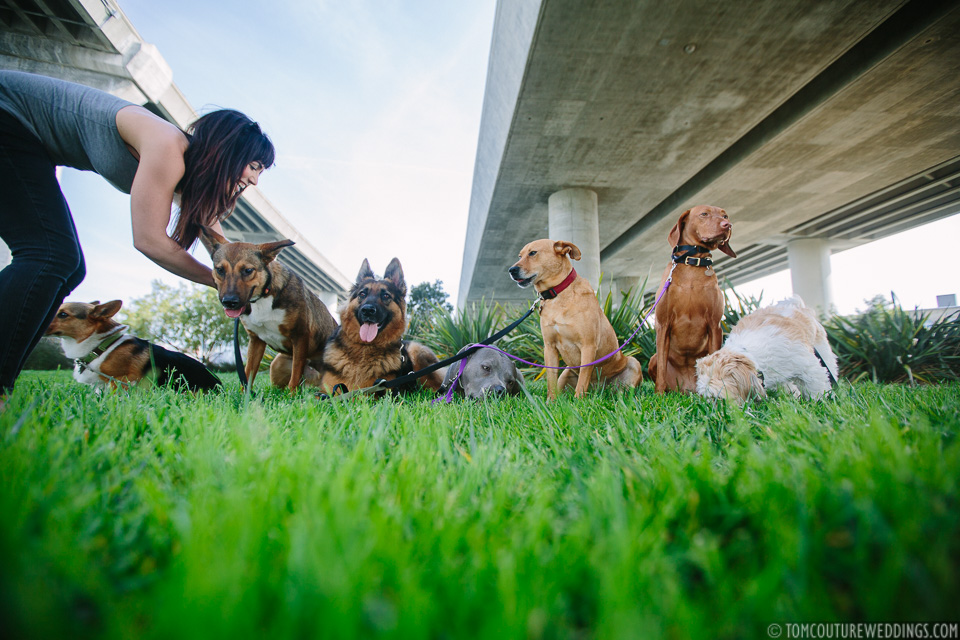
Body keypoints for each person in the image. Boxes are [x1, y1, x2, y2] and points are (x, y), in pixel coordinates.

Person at [0, 70, 275, 400]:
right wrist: (223, 284)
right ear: (230, 152)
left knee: (68, 265)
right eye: (255, 165)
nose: (256, 180)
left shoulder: (189, 179)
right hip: (9, 119)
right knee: (50, 256)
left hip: (25, 142)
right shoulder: (168, 146)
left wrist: (248, 284)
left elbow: (224, 251)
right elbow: (149, 240)